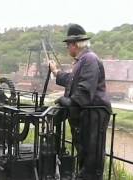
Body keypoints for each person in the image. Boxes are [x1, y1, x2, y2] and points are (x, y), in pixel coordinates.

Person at [49, 24, 112, 180]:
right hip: (86, 113)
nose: (67, 48)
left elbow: (85, 89)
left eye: (67, 45)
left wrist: (69, 102)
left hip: (94, 114)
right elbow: (71, 80)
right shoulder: (82, 61)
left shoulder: (89, 59)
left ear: (75, 44)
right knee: (84, 151)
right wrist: (56, 71)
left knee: (92, 156)